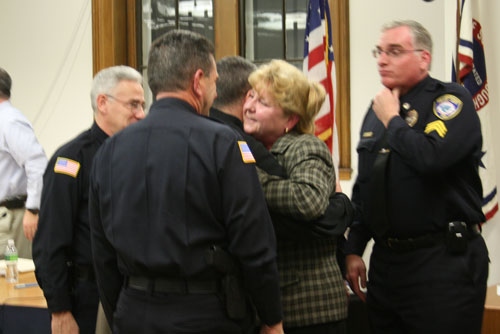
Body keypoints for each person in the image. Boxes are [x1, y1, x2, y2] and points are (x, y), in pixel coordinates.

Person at [88, 30, 284, 334]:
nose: (216, 93)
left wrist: (121, 314)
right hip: (204, 313)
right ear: (197, 81)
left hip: (133, 311)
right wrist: (272, 319)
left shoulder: (108, 151)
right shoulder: (222, 143)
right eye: (214, 82)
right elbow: (254, 241)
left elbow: (101, 253)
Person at [344, 20, 488, 334]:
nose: (382, 59)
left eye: (394, 51)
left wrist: (393, 120)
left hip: (442, 264)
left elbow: (430, 158)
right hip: (388, 266)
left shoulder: (451, 101)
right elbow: (368, 185)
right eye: (379, 52)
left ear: (424, 58)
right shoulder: (380, 108)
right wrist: (354, 247)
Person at [32, 65, 145, 334]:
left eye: (143, 104)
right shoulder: (72, 160)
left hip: (136, 295)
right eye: (133, 105)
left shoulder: (142, 154)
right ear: (103, 103)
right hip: (88, 298)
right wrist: (60, 309)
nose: (141, 114)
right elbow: (50, 241)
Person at [243, 59, 349, 334]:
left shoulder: (305, 146)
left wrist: (251, 181)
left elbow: (308, 200)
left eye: (263, 103)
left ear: (290, 119)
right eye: (251, 96)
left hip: (310, 311)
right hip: (277, 309)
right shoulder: (253, 148)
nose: (250, 107)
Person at [0, 67, 47, 259]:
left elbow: (37, 164)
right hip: (5, 217)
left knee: (15, 279)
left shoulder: (10, 121)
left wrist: (33, 209)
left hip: (13, 218)